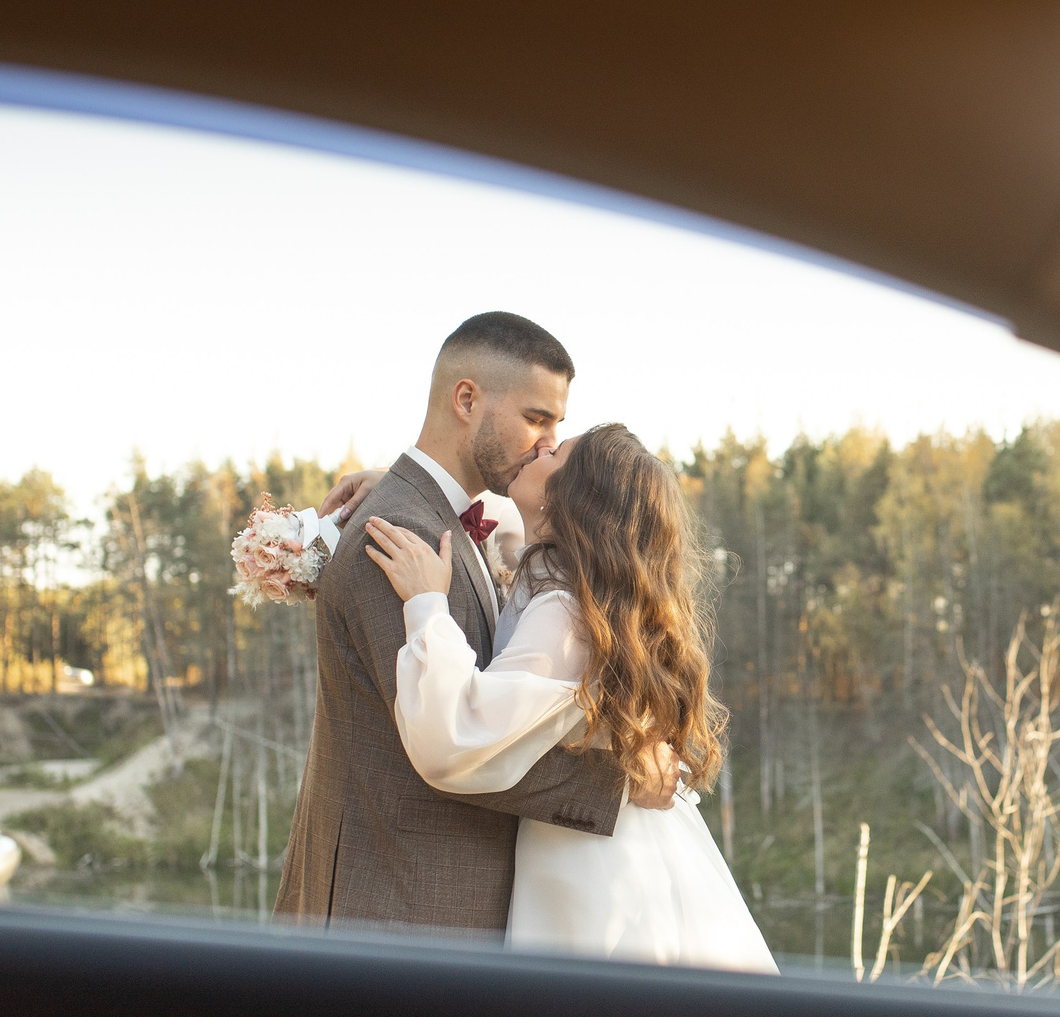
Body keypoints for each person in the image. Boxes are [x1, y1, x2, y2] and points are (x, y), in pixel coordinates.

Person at [274, 314, 670, 934]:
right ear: (466, 400)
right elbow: (449, 745)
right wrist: (616, 779)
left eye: (557, 428)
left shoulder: (445, 523)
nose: (546, 444)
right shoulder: (401, 533)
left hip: (423, 904)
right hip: (397, 908)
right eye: (538, 419)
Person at [360, 423, 778, 973]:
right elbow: (507, 524)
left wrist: (426, 606)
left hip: (592, 876)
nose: (539, 445)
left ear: (576, 498)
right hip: (627, 852)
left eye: (555, 452)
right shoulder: (586, 596)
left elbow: (458, 737)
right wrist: (401, 487)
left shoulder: (563, 614)